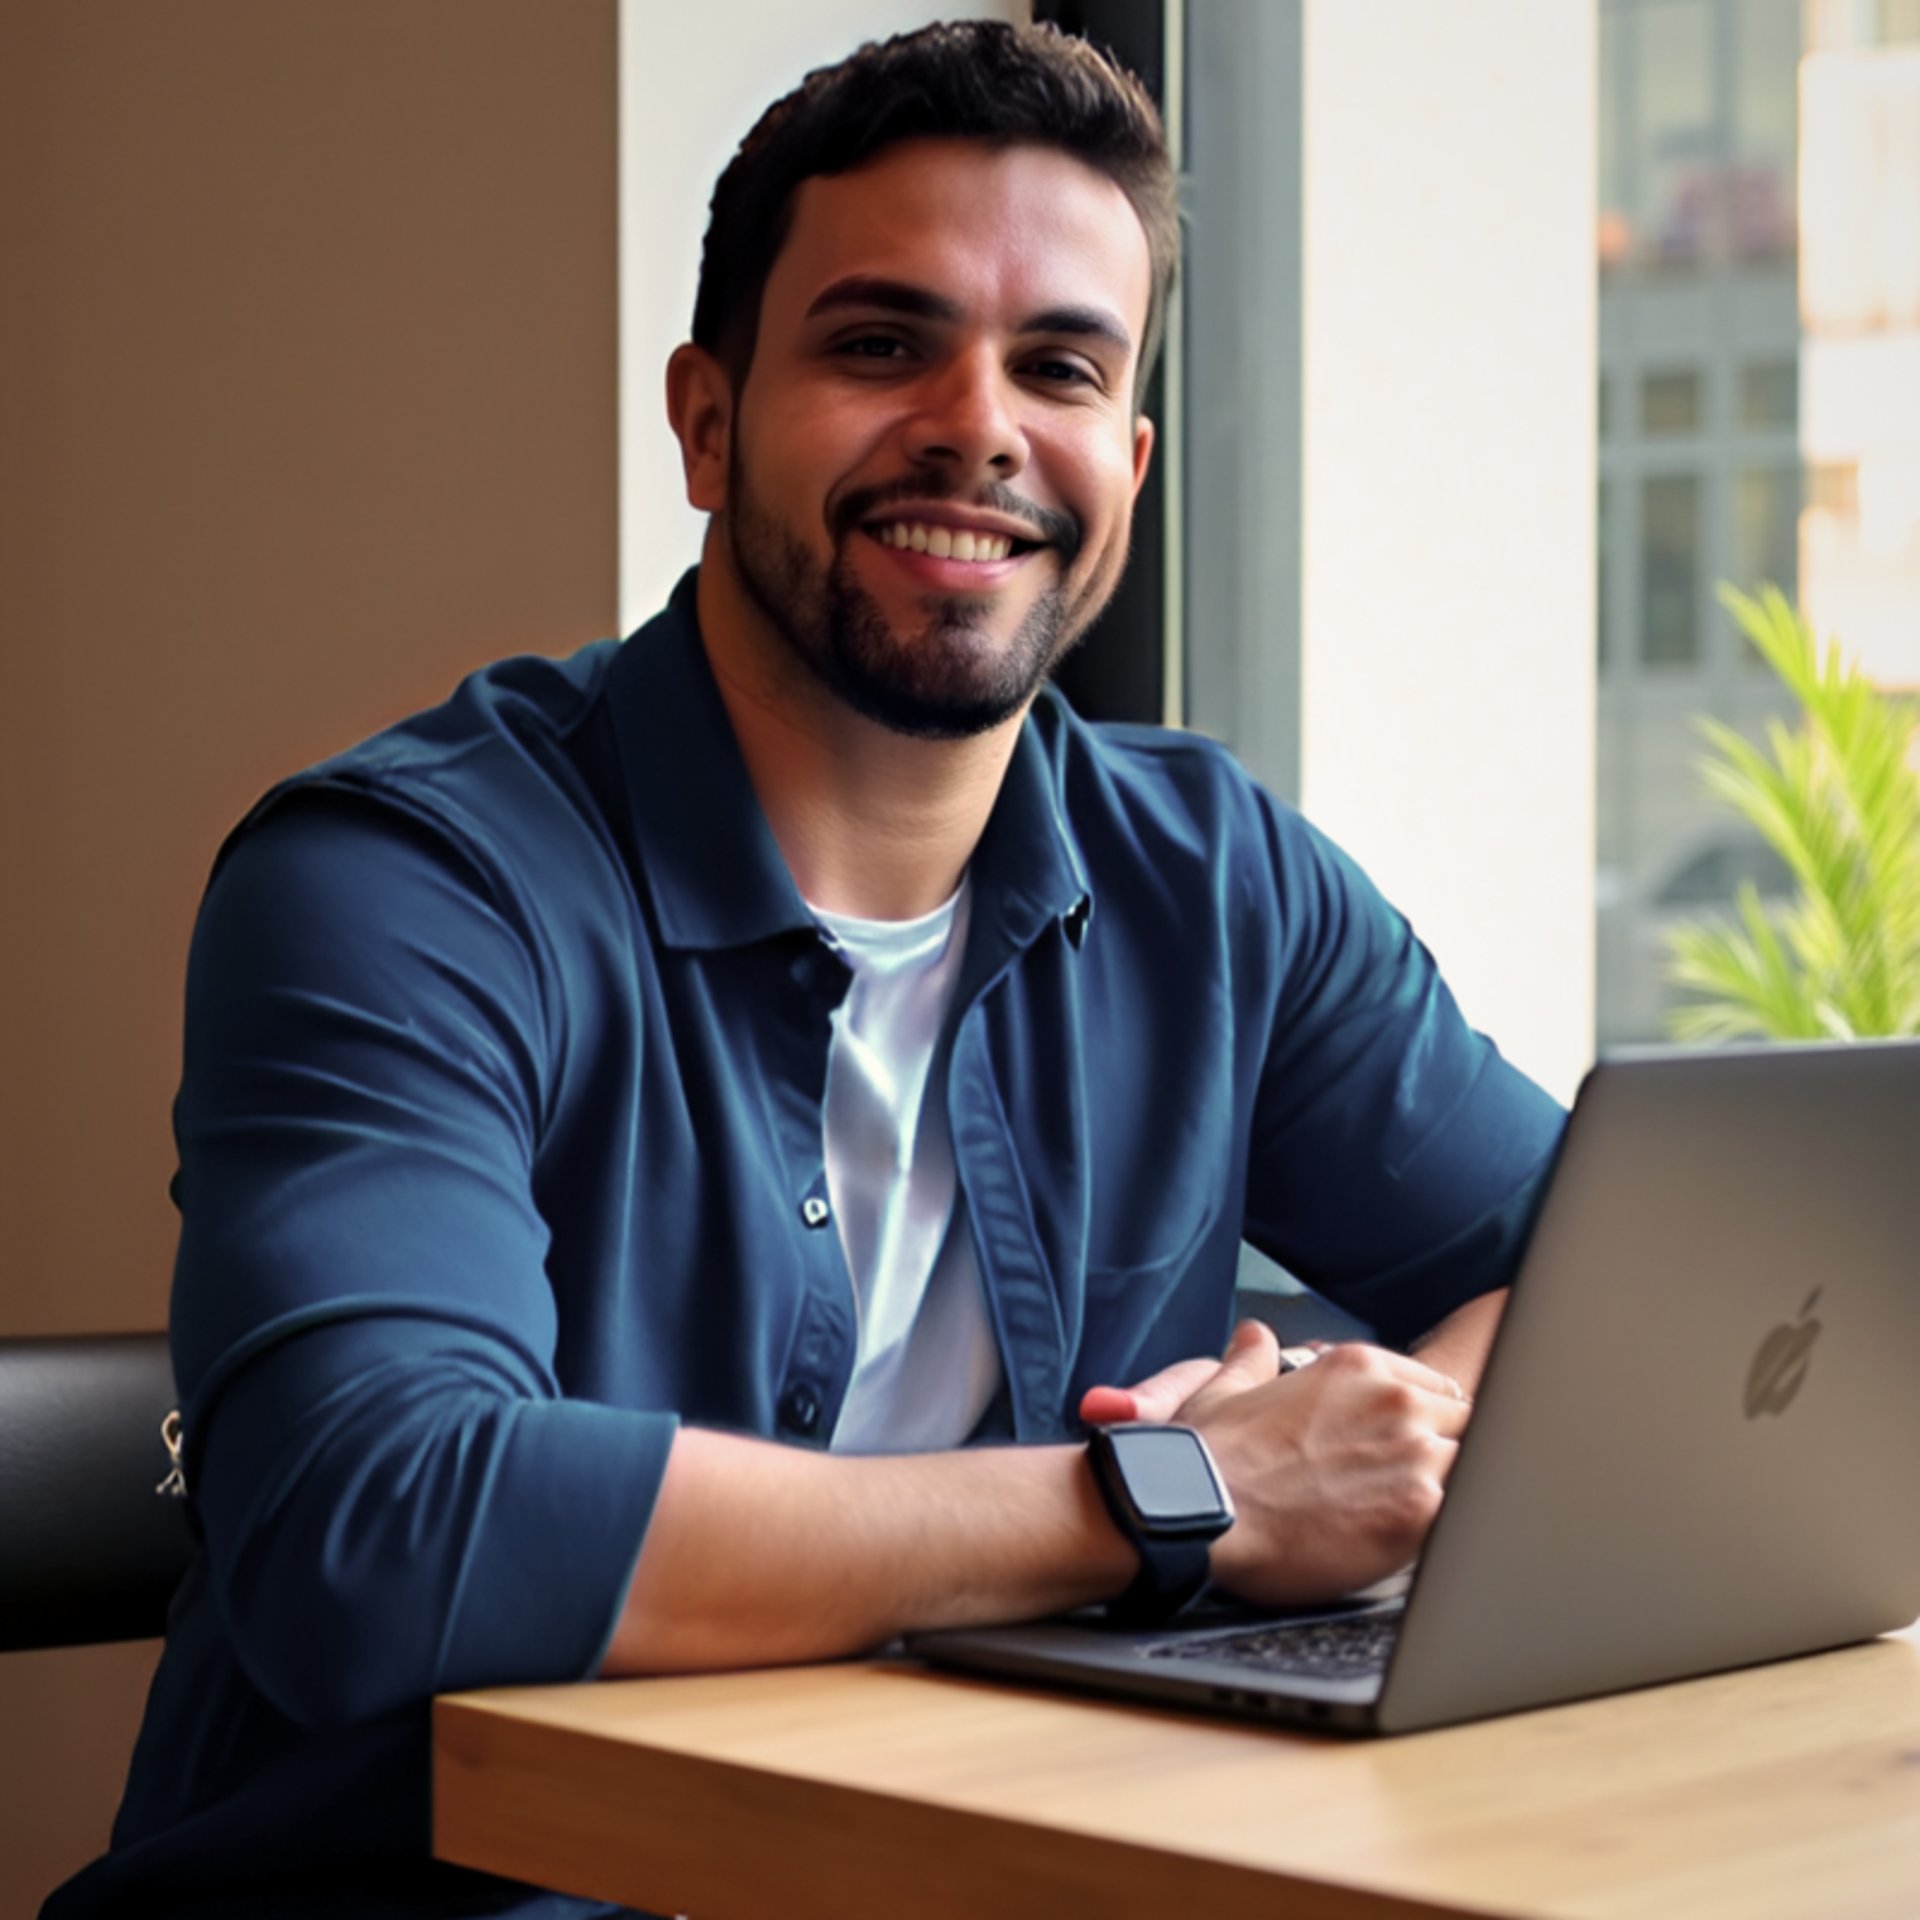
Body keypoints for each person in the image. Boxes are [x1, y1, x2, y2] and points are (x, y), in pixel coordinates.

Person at [47, 20, 1563, 1919]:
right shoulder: (404, 883)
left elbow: (1612, 1288)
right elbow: (382, 1531)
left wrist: (1372, 1453)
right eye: (880, 344)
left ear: (1128, 466)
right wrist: (1181, 1500)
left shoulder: (1219, 884)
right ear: (706, 424)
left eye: (1061, 367)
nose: (980, 425)